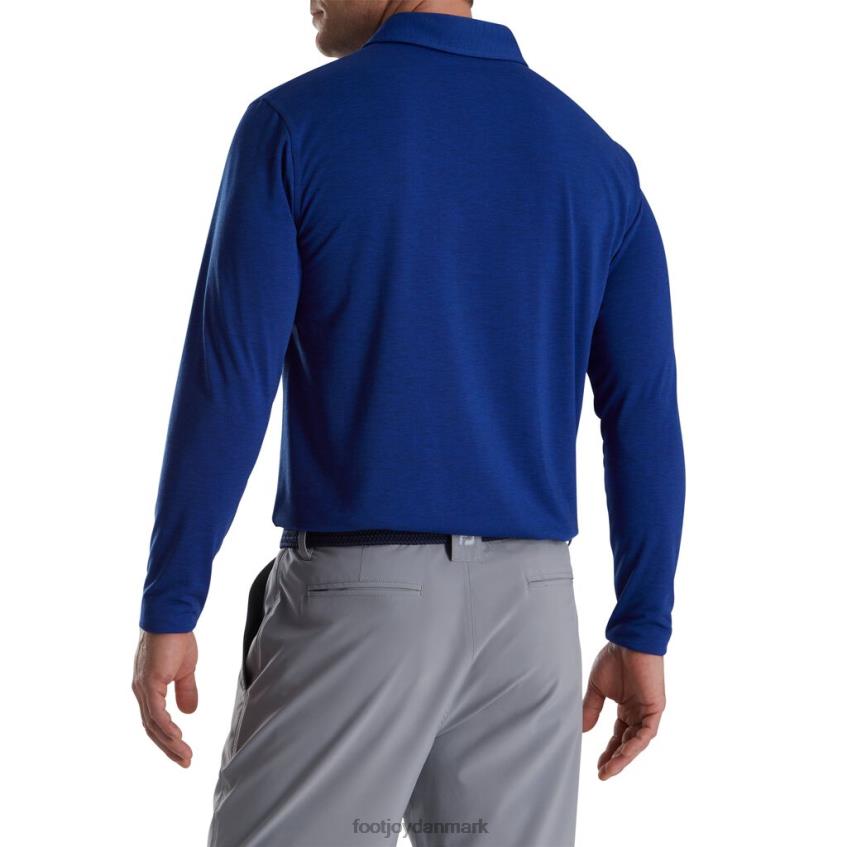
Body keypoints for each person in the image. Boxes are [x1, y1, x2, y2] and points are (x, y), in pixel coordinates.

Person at [132, 1, 685, 844]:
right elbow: (641, 410)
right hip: (533, 616)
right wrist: (641, 626)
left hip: (361, 603)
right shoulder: (595, 159)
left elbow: (230, 379)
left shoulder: (293, 126)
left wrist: (172, 602)